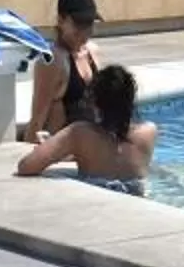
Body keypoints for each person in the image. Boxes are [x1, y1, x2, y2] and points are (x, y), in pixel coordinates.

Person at [15, 63, 157, 195]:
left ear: (95, 103)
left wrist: (51, 146)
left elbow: (26, 166)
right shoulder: (149, 132)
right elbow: (113, 153)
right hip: (136, 195)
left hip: (98, 198)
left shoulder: (79, 133)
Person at [18, 0, 102, 142]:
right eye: (78, 25)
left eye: (89, 24)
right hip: (62, 150)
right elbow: (38, 118)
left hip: (90, 147)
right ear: (61, 21)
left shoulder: (93, 52)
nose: (85, 32)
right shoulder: (52, 62)